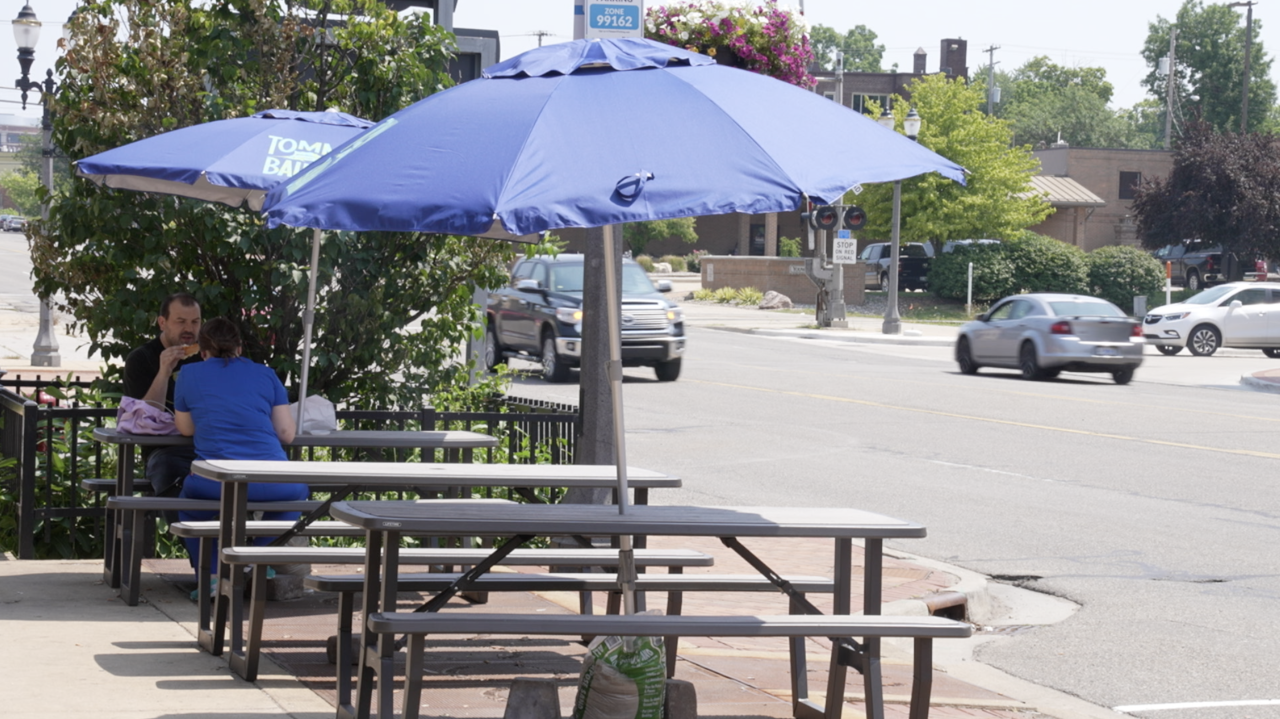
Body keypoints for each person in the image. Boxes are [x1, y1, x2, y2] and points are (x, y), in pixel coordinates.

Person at [173, 317, 306, 573]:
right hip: (277, 481)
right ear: (240, 348)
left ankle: (212, 575)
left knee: (189, 510)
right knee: (297, 494)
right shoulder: (266, 374)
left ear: (203, 352)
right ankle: (256, 561)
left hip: (217, 482)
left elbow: (186, 428)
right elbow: (286, 433)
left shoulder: (189, 374)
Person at [123, 292, 203, 500]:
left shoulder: (206, 356)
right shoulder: (142, 359)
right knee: (169, 467)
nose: (189, 329)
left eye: (195, 322)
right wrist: (164, 372)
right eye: (181, 322)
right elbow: (145, 417)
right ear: (162, 323)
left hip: (207, 445)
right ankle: (187, 532)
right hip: (165, 451)